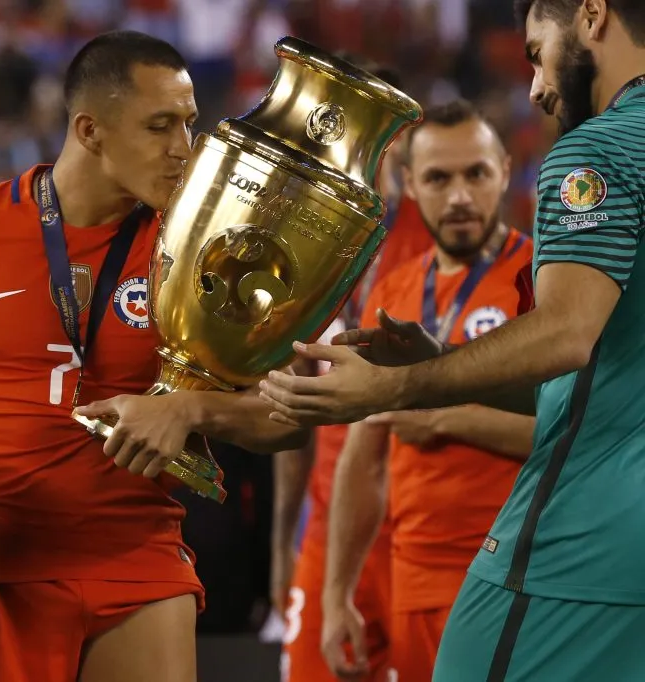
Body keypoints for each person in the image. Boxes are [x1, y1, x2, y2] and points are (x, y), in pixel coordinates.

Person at [0, 30, 309, 682]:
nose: (185, 149)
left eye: (188, 123)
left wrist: (189, 411)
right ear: (90, 130)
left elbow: (289, 415)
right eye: (160, 127)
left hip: (136, 559)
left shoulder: (206, 252)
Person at [259, 1, 645, 678]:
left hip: (578, 539)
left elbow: (568, 334)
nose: (535, 87)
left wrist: (397, 388)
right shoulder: (400, 283)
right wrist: (440, 361)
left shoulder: (595, 149)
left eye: (535, 51)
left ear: (592, 14)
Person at [321, 100, 536, 682]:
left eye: (477, 174)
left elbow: (582, 431)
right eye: (439, 178)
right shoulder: (393, 290)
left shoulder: (547, 282)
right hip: (415, 575)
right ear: (410, 183)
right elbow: (363, 458)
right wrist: (336, 593)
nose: (460, 196)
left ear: (506, 170)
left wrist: (443, 417)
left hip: (524, 570)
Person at [274, 57, 434, 682]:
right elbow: (292, 408)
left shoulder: (445, 235)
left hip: (424, 532)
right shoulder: (292, 245)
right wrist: (283, 545)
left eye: (381, 131)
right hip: (330, 533)